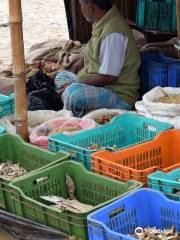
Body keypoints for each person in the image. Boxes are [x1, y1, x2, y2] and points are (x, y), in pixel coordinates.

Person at [58, 0, 141, 116]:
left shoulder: (113, 33)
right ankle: (76, 107)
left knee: (73, 92)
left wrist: (76, 83)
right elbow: (92, 54)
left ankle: (72, 119)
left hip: (117, 94)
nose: (81, 9)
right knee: (61, 76)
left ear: (90, 7)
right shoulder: (101, 22)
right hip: (99, 85)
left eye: (81, 5)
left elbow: (108, 77)